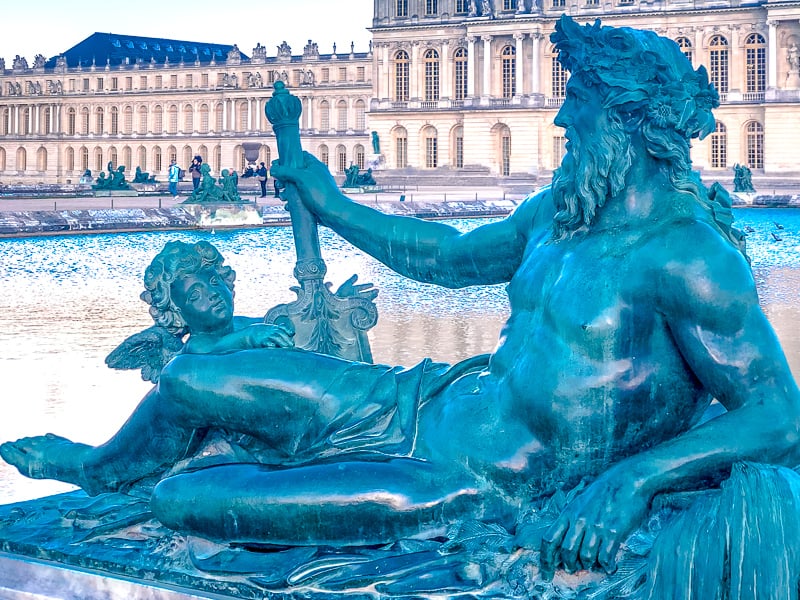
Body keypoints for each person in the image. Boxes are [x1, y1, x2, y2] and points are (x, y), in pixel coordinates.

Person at [3, 16, 799, 585]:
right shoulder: (561, 214)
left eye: (577, 110)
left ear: (624, 125)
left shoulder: (689, 257)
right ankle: (99, 467)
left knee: (185, 499)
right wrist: (329, 198)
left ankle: (177, 479)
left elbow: (780, 417)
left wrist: (637, 480)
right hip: (420, 399)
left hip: (469, 484)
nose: (559, 119)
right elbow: (446, 259)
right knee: (185, 379)